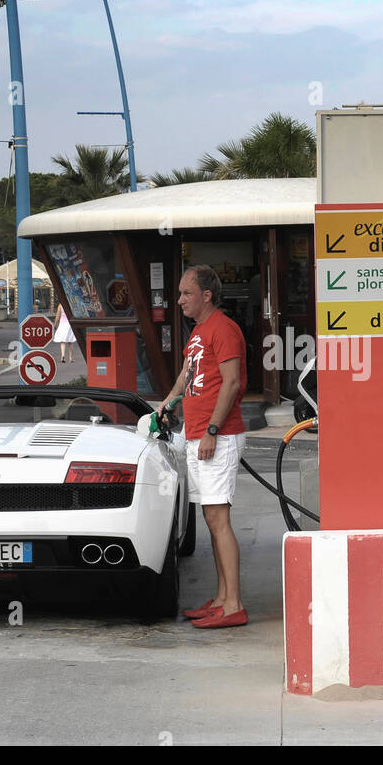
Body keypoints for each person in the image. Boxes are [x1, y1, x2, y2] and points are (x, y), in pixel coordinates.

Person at [157, 265, 249, 629]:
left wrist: (212, 429)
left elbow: (232, 383)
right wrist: (167, 401)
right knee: (211, 520)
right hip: (198, 434)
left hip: (217, 436)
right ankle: (223, 598)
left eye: (186, 293)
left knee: (219, 519)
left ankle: (233, 606)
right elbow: (187, 373)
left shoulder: (224, 329)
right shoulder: (199, 332)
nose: (179, 300)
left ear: (206, 295)